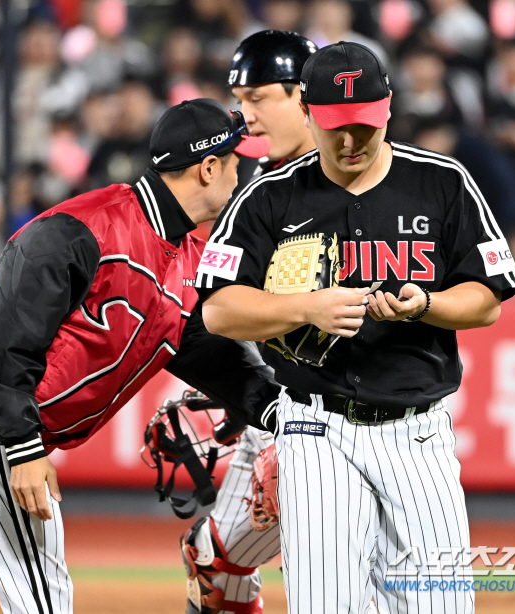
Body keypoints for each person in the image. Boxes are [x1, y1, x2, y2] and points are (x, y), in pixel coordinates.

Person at [0, 98, 276, 614]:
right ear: (209, 168)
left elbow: (209, 353)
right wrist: (22, 449)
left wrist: (282, 412)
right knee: (44, 602)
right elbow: (1, 342)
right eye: (236, 161)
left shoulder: (185, 257)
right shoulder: (87, 226)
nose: (242, 172)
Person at [196, 42, 515, 614]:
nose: (349, 142)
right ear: (308, 115)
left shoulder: (441, 182)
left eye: (363, 125)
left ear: (388, 108)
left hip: (417, 433)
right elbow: (219, 310)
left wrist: (427, 304)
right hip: (314, 428)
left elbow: (487, 299)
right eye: (334, 127)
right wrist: (307, 308)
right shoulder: (269, 196)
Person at [179, 30, 316, 614]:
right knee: (213, 564)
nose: (246, 114)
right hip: (280, 409)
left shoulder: (374, 183)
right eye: (241, 98)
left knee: (348, 579)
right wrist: (244, 395)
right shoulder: (252, 190)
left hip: (353, 420)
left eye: (259, 97)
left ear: (307, 96)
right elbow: (224, 310)